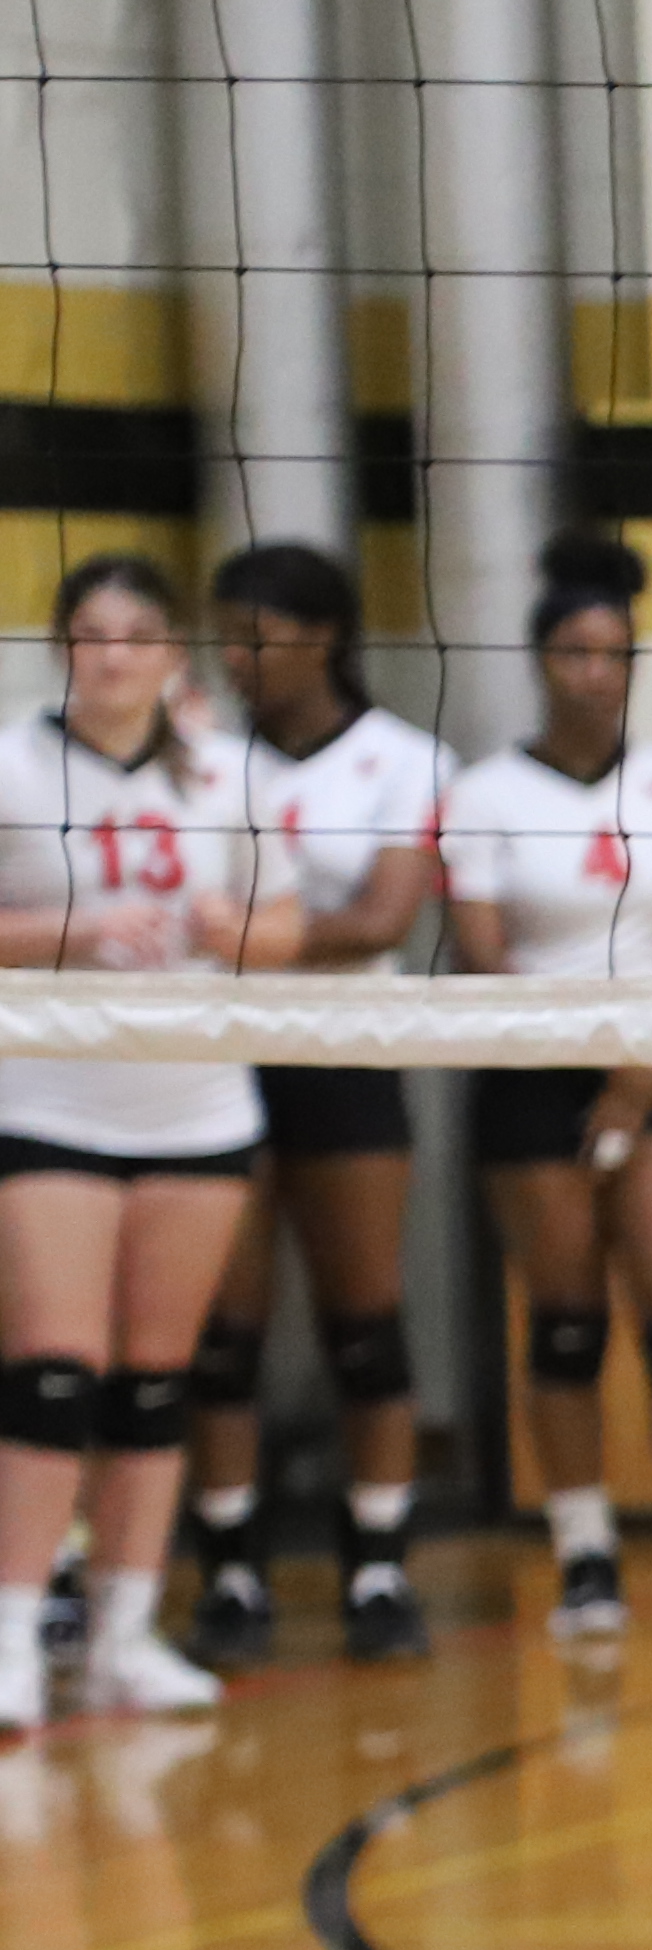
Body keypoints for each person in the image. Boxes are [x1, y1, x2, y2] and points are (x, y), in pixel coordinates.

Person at [4, 553, 307, 1733]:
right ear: (61, 649)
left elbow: (284, 927)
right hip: (48, 1100)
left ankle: (127, 1638)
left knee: (152, 1380)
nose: (114, 652)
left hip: (196, 1106)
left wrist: (243, 930)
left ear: (175, 655)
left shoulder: (227, 775)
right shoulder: (14, 765)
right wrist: (64, 929)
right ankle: (15, 1635)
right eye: (91, 632)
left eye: (137, 633)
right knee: (51, 1368)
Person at [448, 533, 652, 1650]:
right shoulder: (483, 793)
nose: (598, 673)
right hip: (531, 1072)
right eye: (577, 653)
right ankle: (584, 1557)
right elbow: (482, 955)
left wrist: (639, 1082)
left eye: (616, 653)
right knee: (567, 1321)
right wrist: (585, 1065)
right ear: (542, 660)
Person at [180, 537, 456, 1664]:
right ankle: (231, 1571)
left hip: (345, 1053)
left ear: (324, 637)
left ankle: (379, 1565)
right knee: (221, 1336)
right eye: (226, 636)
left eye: (260, 635)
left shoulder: (403, 758)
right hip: (217, 1058)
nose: (237, 657)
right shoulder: (200, 760)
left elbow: (385, 919)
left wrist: (243, 937)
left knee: (364, 1326)